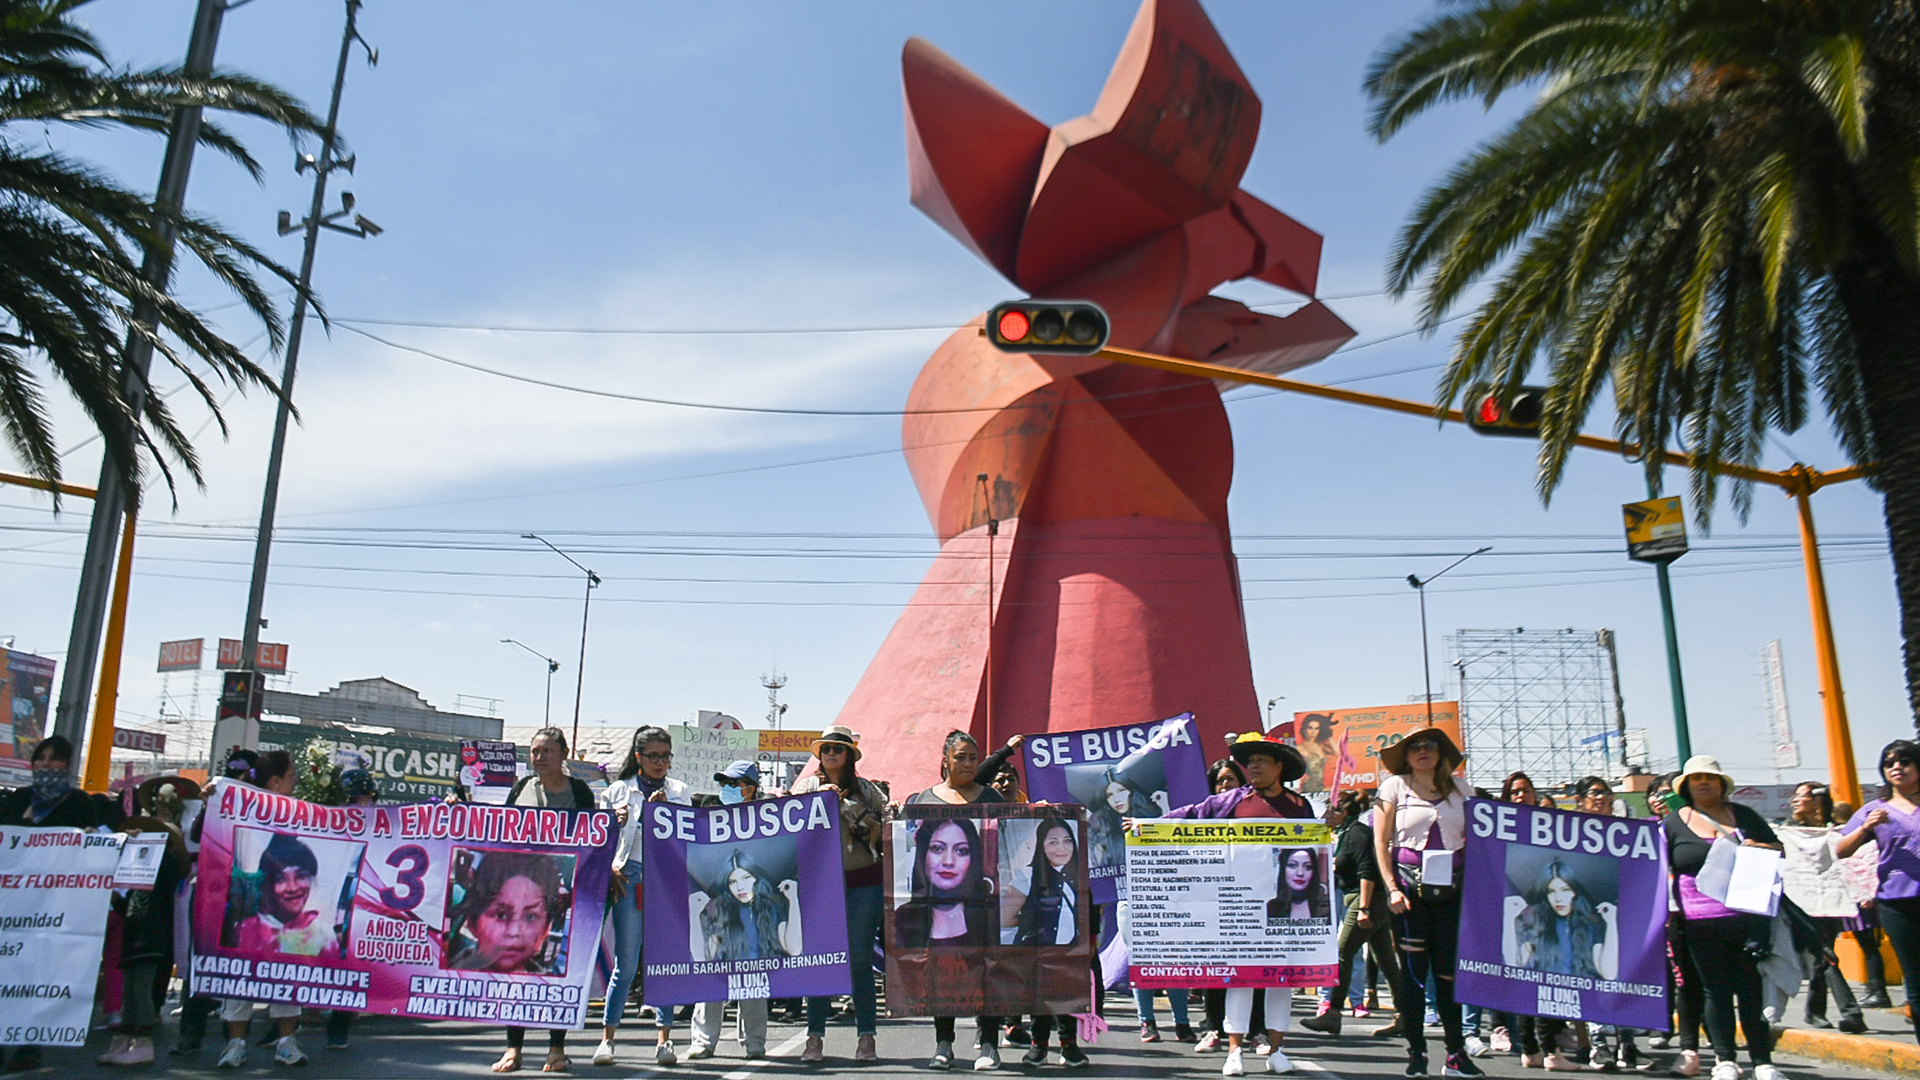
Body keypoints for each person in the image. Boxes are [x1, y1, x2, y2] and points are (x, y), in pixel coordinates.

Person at [1161, 731, 1317, 1077]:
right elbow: (1190, 815)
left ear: (1279, 766)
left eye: (1261, 760)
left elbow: (1314, 852)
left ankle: (1277, 1051)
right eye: (1250, 762)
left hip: (1284, 911)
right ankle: (1234, 1052)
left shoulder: (1299, 807)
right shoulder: (1232, 801)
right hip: (1239, 907)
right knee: (1240, 979)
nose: (1253, 766)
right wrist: (1148, 826)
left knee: (1280, 981)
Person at [1662, 756, 1784, 1080]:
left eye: (1710, 778)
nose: (1704, 783)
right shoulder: (1672, 823)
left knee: (1750, 990)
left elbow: (1779, 849)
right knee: (1714, 992)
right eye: (1697, 778)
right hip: (1698, 924)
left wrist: (1761, 846)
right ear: (1686, 786)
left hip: (1747, 919)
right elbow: (1659, 870)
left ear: (1721, 784)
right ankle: (1725, 1060)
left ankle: (1762, 1062)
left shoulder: (1744, 816)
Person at [1373, 727, 1480, 1080]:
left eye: (1430, 746)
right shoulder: (1393, 788)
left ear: (1440, 753)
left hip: (1452, 892)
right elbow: (1381, 841)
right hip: (1409, 892)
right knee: (1414, 976)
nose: (1422, 751)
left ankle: (1455, 1052)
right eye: (1415, 747)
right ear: (1405, 755)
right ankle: (1416, 1051)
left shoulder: (1463, 790)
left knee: (1448, 975)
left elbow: (1483, 837)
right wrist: (1391, 888)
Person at [905, 730, 1014, 1071]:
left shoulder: (993, 798)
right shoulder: (924, 799)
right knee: (942, 974)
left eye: (972, 757)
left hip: (984, 908)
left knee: (987, 974)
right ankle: (944, 1043)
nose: (967, 764)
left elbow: (1013, 844)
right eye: (960, 757)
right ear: (945, 760)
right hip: (933, 911)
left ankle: (990, 1045)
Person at [491, 728, 593, 1073]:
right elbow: (499, 833)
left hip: (564, 897)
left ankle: (556, 1049)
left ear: (564, 753)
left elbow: (595, 838)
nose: (539, 757)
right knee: (516, 974)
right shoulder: (520, 789)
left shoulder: (579, 792)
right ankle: (512, 1048)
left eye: (547, 750)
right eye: (535, 751)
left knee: (556, 972)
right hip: (523, 892)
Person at [591, 725, 687, 1068]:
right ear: (639, 757)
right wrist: (613, 824)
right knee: (626, 962)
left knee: (663, 960)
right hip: (628, 877)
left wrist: (666, 814)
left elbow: (687, 839)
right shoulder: (617, 791)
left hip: (665, 881)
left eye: (666, 756)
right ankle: (607, 1039)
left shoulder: (678, 791)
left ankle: (665, 1040)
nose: (661, 763)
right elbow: (598, 840)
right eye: (654, 756)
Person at [791, 725, 888, 1064]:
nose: (830, 754)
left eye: (837, 748)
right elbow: (789, 827)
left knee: (860, 959)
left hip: (864, 880)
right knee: (821, 959)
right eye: (826, 749)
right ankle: (814, 1036)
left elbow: (882, 830)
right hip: (821, 884)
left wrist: (844, 804)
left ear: (849, 755)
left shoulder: (868, 790)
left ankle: (867, 1037)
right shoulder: (805, 787)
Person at [1837, 739, 1920, 1044]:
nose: (1897, 768)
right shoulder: (1874, 809)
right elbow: (1841, 850)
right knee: (1915, 976)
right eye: (1889, 763)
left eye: (1905, 761)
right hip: (1897, 903)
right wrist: (1865, 828)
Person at [1303, 791, 1404, 1039]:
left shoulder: (1358, 834)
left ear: (1343, 812)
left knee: (1343, 952)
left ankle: (1333, 1012)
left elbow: (1367, 872)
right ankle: (1406, 1015)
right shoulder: (1345, 835)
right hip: (1365, 902)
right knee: (1387, 961)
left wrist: (1364, 908)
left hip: (1366, 902)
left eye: (1332, 810)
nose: (1327, 814)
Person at [1781, 781, 1867, 1034]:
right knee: (1827, 954)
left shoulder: (1835, 831)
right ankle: (1852, 1012)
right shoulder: (1789, 831)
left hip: (1831, 899)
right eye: (1794, 796)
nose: (1795, 801)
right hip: (1801, 904)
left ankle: (1814, 1013)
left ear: (1817, 801)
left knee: (1821, 958)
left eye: (1802, 796)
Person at [1195, 757, 1253, 1054]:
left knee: (1254, 967)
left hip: (1250, 901)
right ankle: (1213, 1027)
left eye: (1231, 779)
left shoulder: (1251, 810)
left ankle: (1256, 1030)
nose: (1225, 785)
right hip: (1214, 900)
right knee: (1215, 967)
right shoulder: (1205, 814)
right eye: (1219, 780)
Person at [232, 832, 339, 957]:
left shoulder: (325, 936)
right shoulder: (244, 930)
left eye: (301, 876)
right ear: (268, 885)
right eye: (280, 879)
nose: (292, 888)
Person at [1012, 817, 1080, 946]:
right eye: (1053, 842)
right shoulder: (1028, 875)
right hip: (1035, 957)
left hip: (1069, 956)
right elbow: (1006, 918)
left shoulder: (1077, 875)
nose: (1062, 848)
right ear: (1041, 847)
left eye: (1067, 841)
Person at [1269, 848, 1331, 922]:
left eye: (1308, 867)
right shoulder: (1271, 908)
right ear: (1283, 870)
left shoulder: (1327, 906)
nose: (1300, 873)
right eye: (1292, 865)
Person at [1295, 714, 1337, 793]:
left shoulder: (1320, 745)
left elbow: (1337, 752)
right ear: (1304, 729)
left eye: (1316, 728)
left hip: (1320, 787)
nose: (1313, 732)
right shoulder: (1300, 747)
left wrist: (1328, 735)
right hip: (1309, 788)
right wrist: (1301, 777)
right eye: (1310, 728)